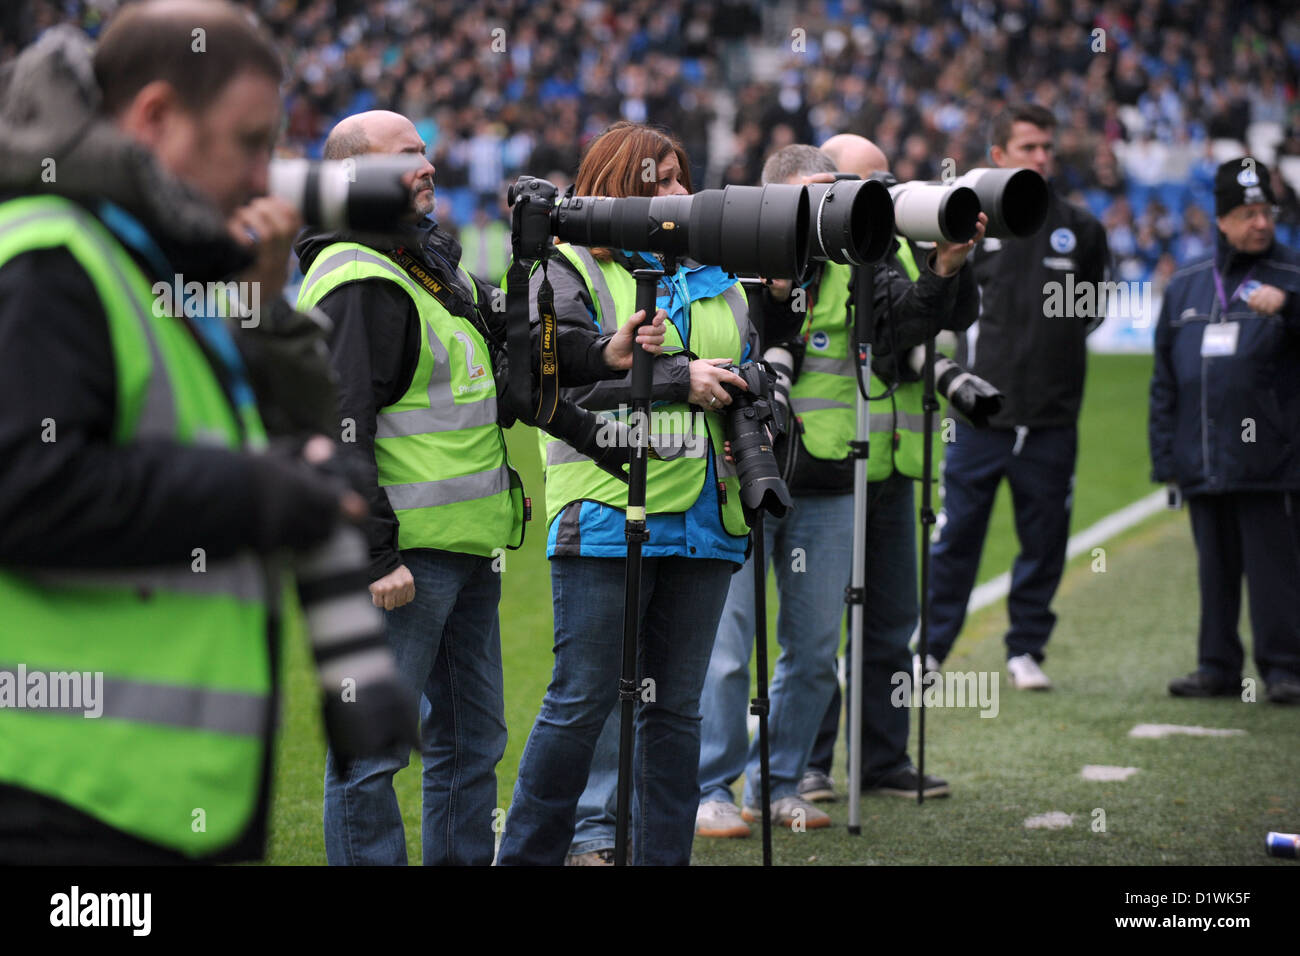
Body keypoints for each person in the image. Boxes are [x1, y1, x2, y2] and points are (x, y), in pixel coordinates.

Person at [0, 2, 369, 864]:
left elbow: (206, 442)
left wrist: (287, 464)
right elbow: (24, 483)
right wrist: (257, 494)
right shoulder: (53, 257)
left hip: (140, 799)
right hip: (67, 804)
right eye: (247, 143)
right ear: (157, 117)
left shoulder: (141, 259)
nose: (262, 176)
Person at [295, 111, 663, 865]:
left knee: (472, 744)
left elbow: (515, 358)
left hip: (465, 552)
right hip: (400, 563)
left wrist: (604, 352)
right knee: (372, 756)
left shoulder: (430, 263)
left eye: (425, 151)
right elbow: (336, 427)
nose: (428, 166)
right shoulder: (360, 279)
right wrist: (373, 558)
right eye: (406, 156)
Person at [696, 137, 980, 831]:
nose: (849, 207)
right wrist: (777, 285)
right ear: (784, 199)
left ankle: (780, 781)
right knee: (729, 652)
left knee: (817, 650)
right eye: (833, 193)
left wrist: (946, 265)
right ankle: (711, 789)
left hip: (830, 485)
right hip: (743, 481)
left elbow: (904, 326)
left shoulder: (862, 262)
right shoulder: (735, 257)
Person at [498, 121, 758, 866]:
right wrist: (681, 378)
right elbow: (557, 379)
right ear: (615, 187)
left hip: (708, 514)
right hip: (608, 510)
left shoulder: (717, 274)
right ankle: (523, 858)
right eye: (659, 181)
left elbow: (743, 365)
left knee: (676, 712)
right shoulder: (568, 265)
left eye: (680, 178)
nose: (676, 194)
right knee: (581, 703)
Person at [924, 104, 1109, 690]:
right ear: (999, 156)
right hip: (982, 414)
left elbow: (1092, 310)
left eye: (1047, 147)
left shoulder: (1080, 227)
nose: (1041, 157)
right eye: (1028, 147)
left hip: (1053, 417)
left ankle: (1026, 648)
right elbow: (941, 290)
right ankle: (929, 651)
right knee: (955, 537)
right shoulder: (970, 221)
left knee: (1045, 539)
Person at [1149, 158, 1300, 705]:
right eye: (1247, 213)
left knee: (1275, 570)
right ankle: (1216, 665)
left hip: (1274, 460)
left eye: (1267, 212)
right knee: (1214, 571)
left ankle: (1285, 668)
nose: (1260, 223)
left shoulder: (1293, 276)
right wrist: (1165, 456)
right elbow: (1164, 378)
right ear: (1221, 219)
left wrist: (1292, 309)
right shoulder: (1187, 283)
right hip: (1203, 456)